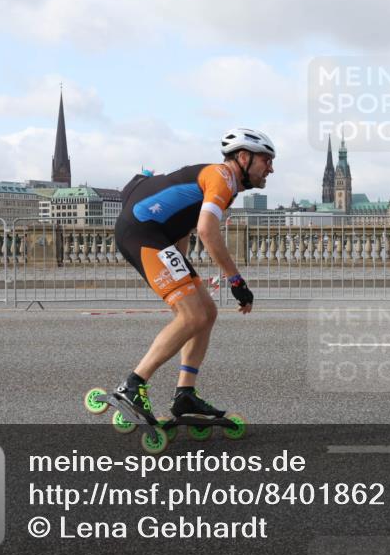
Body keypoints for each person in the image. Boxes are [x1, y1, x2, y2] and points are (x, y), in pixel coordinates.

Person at [110, 127, 275, 423]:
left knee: (206, 312)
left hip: (157, 235)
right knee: (192, 315)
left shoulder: (226, 184)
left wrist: (182, 270)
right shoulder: (222, 177)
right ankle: (132, 385)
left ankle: (185, 394)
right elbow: (206, 230)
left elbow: (183, 225)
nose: (271, 169)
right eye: (266, 160)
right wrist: (236, 280)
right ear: (243, 157)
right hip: (142, 233)